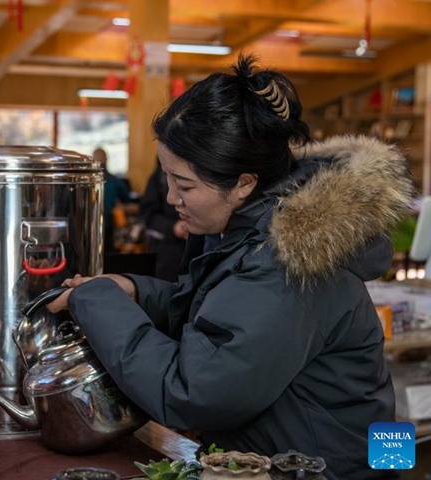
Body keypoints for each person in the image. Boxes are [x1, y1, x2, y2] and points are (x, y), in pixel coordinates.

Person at [47, 55, 412, 480]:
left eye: (185, 185)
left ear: (243, 183)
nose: (170, 198)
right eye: (167, 178)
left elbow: (192, 391)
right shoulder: (252, 230)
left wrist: (99, 303)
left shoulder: (288, 265)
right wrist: (136, 291)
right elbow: (223, 321)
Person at [138, 163, 187, 281]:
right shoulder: (159, 175)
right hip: (170, 253)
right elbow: (147, 214)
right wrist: (173, 228)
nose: (172, 199)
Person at [93, 147, 132, 253]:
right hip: (110, 228)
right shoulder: (115, 181)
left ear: (93, 159)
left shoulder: (87, 182)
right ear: (106, 159)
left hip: (90, 227)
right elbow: (128, 200)